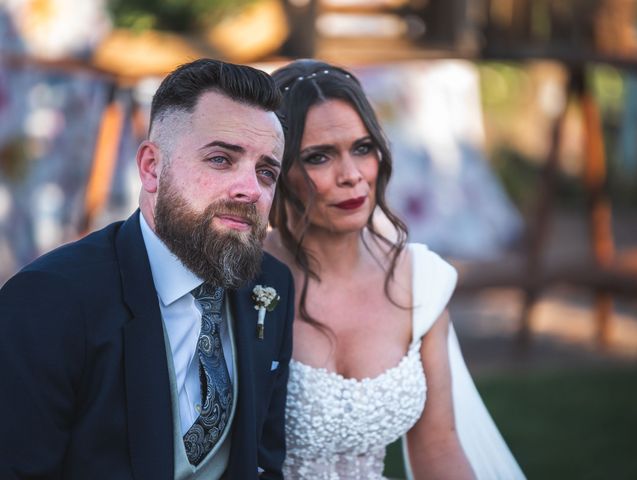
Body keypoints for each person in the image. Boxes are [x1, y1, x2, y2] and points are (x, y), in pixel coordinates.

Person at [0, 58, 294, 480]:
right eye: (220, 159)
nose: (250, 189)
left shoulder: (270, 285)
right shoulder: (50, 300)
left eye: (266, 171)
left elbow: (264, 460)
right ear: (151, 167)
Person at [264, 59, 526, 479]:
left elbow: (438, 445)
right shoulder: (240, 279)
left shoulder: (420, 280)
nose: (352, 176)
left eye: (363, 149)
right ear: (276, 168)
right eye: (318, 157)